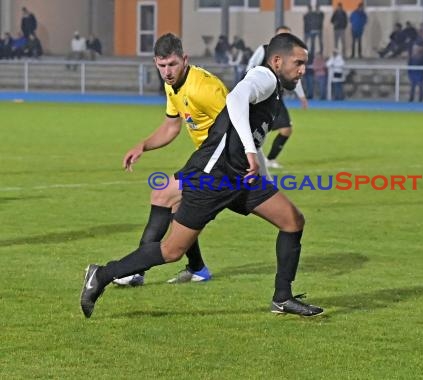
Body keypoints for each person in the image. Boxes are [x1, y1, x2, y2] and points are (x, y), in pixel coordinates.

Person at [80, 32, 324, 319]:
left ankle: (283, 298)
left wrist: (256, 163)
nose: (303, 70)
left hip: (239, 176)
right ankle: (102, 274)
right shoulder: (265, 76)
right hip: (214, 175)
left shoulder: (275, 87)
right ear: (277, 60)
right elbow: (235, 100)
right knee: (171, 250)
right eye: (298, 63)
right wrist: (247, 150)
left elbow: (251, 138)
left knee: (292, 221)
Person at [112, 33, 273, 288]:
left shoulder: (204, 89)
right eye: (162, 65)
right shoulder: (172, 84)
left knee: (162, 194)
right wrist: (143, 145)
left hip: (221, 162)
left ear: (184, 59)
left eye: (172, 64)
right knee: (178, 208)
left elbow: (237, 122)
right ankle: (198, 269)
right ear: (155, 62)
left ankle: (136, 270)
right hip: (208, 159)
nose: (167, 71)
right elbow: (171, 128)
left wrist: (250, 162)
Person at [246, 25, 308, 169]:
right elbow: (250, 66)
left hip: (276, 99)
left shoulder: (293, 57)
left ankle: (270, 160)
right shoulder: (263, 50)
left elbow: (295, 77)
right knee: (253, 132)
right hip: (260, 98)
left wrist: (302, 97)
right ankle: (245, 162)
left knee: (286, 129)